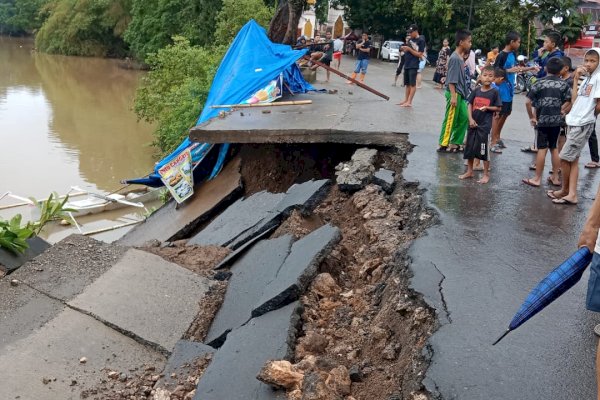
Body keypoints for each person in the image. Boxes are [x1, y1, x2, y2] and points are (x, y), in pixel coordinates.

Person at [549, 48, 600, 205]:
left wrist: (591, 115)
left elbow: (598, 104)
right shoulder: (587, 78)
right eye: (587, 60)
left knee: (564, 157)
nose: (588, 64)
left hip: (583, 123)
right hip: (574, 120)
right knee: (573, 160)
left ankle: (566, 191)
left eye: (593, 61)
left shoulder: (598, 78)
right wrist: (577, 77)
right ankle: (571, 193)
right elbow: (575, 99)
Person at [521, 57, 572, 188]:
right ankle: (555, 177)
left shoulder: (538, 83)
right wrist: (562, 110)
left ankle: (537, 178)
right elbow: (570, 100)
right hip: (556, 121)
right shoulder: (563, 84)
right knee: (554, 148)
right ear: (561, 70)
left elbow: (527, 101)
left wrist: (532, 117)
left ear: (545, 68)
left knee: (542, 149)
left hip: (542, 120)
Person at [491, 31, 537, 153]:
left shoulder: (512, 54)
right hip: (502, 90)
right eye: (518, 42)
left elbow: (516, 68)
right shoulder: (502, 55)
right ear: (512, 42)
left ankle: (498, 137)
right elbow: (496, 71)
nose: (519, 44)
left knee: (506, 113)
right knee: (498, 115)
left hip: (510, 89)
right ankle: (492, 141)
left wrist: (530, 68)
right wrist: (508, 71)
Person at [459, 66, 501, 184]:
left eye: (490, 76)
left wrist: (487, 107)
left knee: (483, 151)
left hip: (484, 126)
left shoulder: (494, 92)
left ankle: (486, 174)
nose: (487, 78)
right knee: (470, 148)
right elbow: (469, 104)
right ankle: (470, 171)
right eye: (485, 75)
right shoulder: (476, 90)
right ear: (480, 77)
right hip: (473, 124)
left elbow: (498, 107)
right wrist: (470, 119)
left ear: (494, 78)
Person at [437, 29, 472, 152]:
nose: (470, 44)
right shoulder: (455, 58)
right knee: (450, 119)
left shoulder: (460, 58)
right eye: (469, 41)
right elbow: (451, 79)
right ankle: (443, 143)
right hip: (455, 93)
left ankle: (455, 142)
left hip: (461, 94)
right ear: (461, 42)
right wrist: (453, 96)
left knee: (463, 117)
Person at [398, 24, 426, 107]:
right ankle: (406, 100)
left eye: (411, 32)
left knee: (413, 84)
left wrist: (409, 49)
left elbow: (420, 54)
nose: (410, 34)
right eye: (409, 32)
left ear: (416, 31)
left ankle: (409, 102)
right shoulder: (410, 39)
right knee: (407, 84)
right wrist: (403, 48)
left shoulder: (421, 40)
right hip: (407, 63)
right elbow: (408, 50)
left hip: (414, 64)